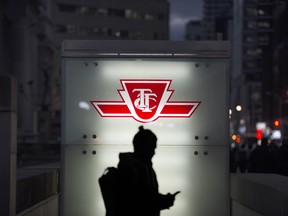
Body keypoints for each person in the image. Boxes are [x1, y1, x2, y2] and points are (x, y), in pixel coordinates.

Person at [114, 126, 180, 216]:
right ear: (142, 147)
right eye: (152, 148)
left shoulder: (140, 167)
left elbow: (147, 196)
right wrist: (165, 201)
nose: (154, 152)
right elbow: (139, 203)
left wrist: (164, 199)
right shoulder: (132, 170)